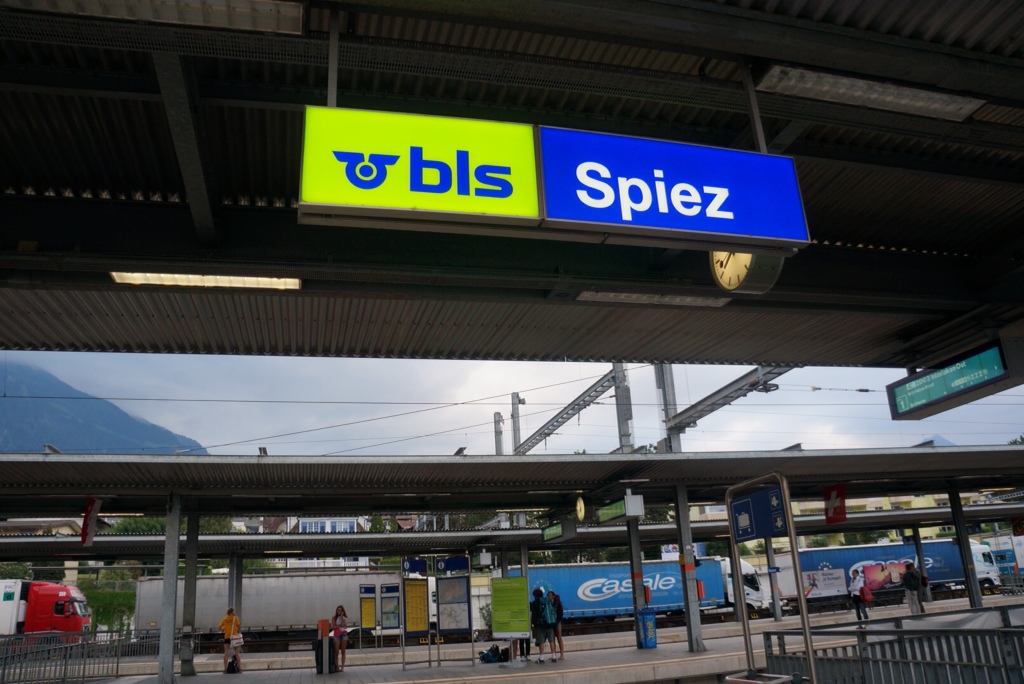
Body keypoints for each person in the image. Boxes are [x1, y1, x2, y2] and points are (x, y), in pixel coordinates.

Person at [530, 587, 557, 663]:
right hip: (550, 623)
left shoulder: (535, 602)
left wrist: (534, 623)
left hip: (540, 624)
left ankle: (541, 657)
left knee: (541, 641)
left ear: (535, 596)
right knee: (551, 640)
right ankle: (554, 656)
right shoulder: (547, 600)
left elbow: (534, 614)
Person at [218, 607, 243, 673]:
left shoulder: (225, 619)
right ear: (232, 612)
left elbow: (219, 628)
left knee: (226, 652)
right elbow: (239, 627)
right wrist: (236, 629)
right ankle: (239, 668)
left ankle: (225, 668)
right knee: (236, 653)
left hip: (227, 637)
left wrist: (224, 628)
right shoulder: (235, 618)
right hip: (234, 637)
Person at [330, 604, 348, 671]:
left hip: (343, 634)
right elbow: (334, 626)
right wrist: (341, 626)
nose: (338, 611)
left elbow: (343, 625)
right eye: (338, 610)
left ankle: (342, 667)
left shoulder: (344, 618)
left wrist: (341, 617)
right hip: (337, 635)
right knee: (336, 651)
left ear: (342, 611)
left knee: (343, 651)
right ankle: (337, 666)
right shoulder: (334, 618)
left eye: (340, 610)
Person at [547, 590, 565, 660]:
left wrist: (557, 621)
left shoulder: (557, 604)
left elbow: (560, 614)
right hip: (551, 622)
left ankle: (562, 654)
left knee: (559, 637)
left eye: (550, 595)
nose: (549, 597)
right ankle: (553, 654)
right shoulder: (547, 604)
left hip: (557, 622)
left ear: (553, 596)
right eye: (548, 596)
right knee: (552, 639)